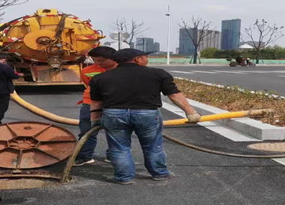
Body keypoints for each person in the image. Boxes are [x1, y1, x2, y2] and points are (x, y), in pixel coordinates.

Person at [88, 48, 201, 184]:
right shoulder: (157, 74)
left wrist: (94, 120)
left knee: (119, 148)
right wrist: (190, 112)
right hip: (146, 114)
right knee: (153, 146)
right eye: (145, 56)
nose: (147, 59)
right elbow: (174, 94)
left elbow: (96, 102)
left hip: (114, 114)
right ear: (137, 59)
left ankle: (123, 177)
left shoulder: (101, 78)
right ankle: (160, 173)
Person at [73, 46, 118, 166]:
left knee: (115, 131)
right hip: (90, 103)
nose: (98, 63)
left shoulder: (122, 70)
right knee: (87, 131)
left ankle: (114, 156)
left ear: (113, 58)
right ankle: (84, 157)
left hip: (115, 103)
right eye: (95, 60)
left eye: (102, 60)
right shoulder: (87, 71)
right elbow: (88, 85)